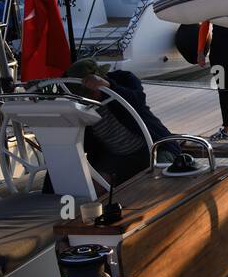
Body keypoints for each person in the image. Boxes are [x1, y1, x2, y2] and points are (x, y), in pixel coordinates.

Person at [63, 58, 172, 186]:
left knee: (163, 176)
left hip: (154, 146)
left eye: (93, 87)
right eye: (87, 91)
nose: (92, 92)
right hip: (117, 157)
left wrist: (109, 87)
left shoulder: (124, 79)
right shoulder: (77, 105)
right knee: (96, 185)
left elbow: (138, 101)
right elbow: (84, 144)